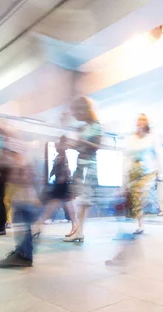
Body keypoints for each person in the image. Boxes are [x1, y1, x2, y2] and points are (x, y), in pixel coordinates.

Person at [0, 120, 40, 267]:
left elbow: (21, 165)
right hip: (22, 190)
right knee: (22, 222)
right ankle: (22, 253)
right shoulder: (19, 144)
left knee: (23, 221)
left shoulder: (18, 142)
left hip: (22, 190)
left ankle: (23, 255)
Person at [63, 97, 102, 243]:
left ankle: (79, 230)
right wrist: (72, 145)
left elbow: (97, 146)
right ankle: (78, 229)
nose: (75, 115)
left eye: (76, 111)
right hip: (80, 166)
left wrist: (80, 142)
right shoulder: (83, 127)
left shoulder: (96, 126)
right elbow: (82, 147)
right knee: (76, 198)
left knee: (84, 200)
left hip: (89, 167)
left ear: (84, 110)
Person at [125, 113, 163, 234]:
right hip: (134, 171)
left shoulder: (152, 137)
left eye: (143, 120)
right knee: (135, 197)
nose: (140, 123)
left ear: (147, 123)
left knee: (140, 193)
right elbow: (127, 156)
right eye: (138, 121)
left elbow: (159, 155)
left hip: (148, 171)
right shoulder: (131, 138)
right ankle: (140, 224)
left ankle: (149, 206)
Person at [33, 135, 77, 235]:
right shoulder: (59, 157)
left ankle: (37, 226)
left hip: (63, 185)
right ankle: (75, 227)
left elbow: (67, 171)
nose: (56, 147)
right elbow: (54, 170)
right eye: (55, 145)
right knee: (62, 207)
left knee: (52, 207)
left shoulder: (63, 156)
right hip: (61, 185)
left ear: (62, 146)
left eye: (57, 145)